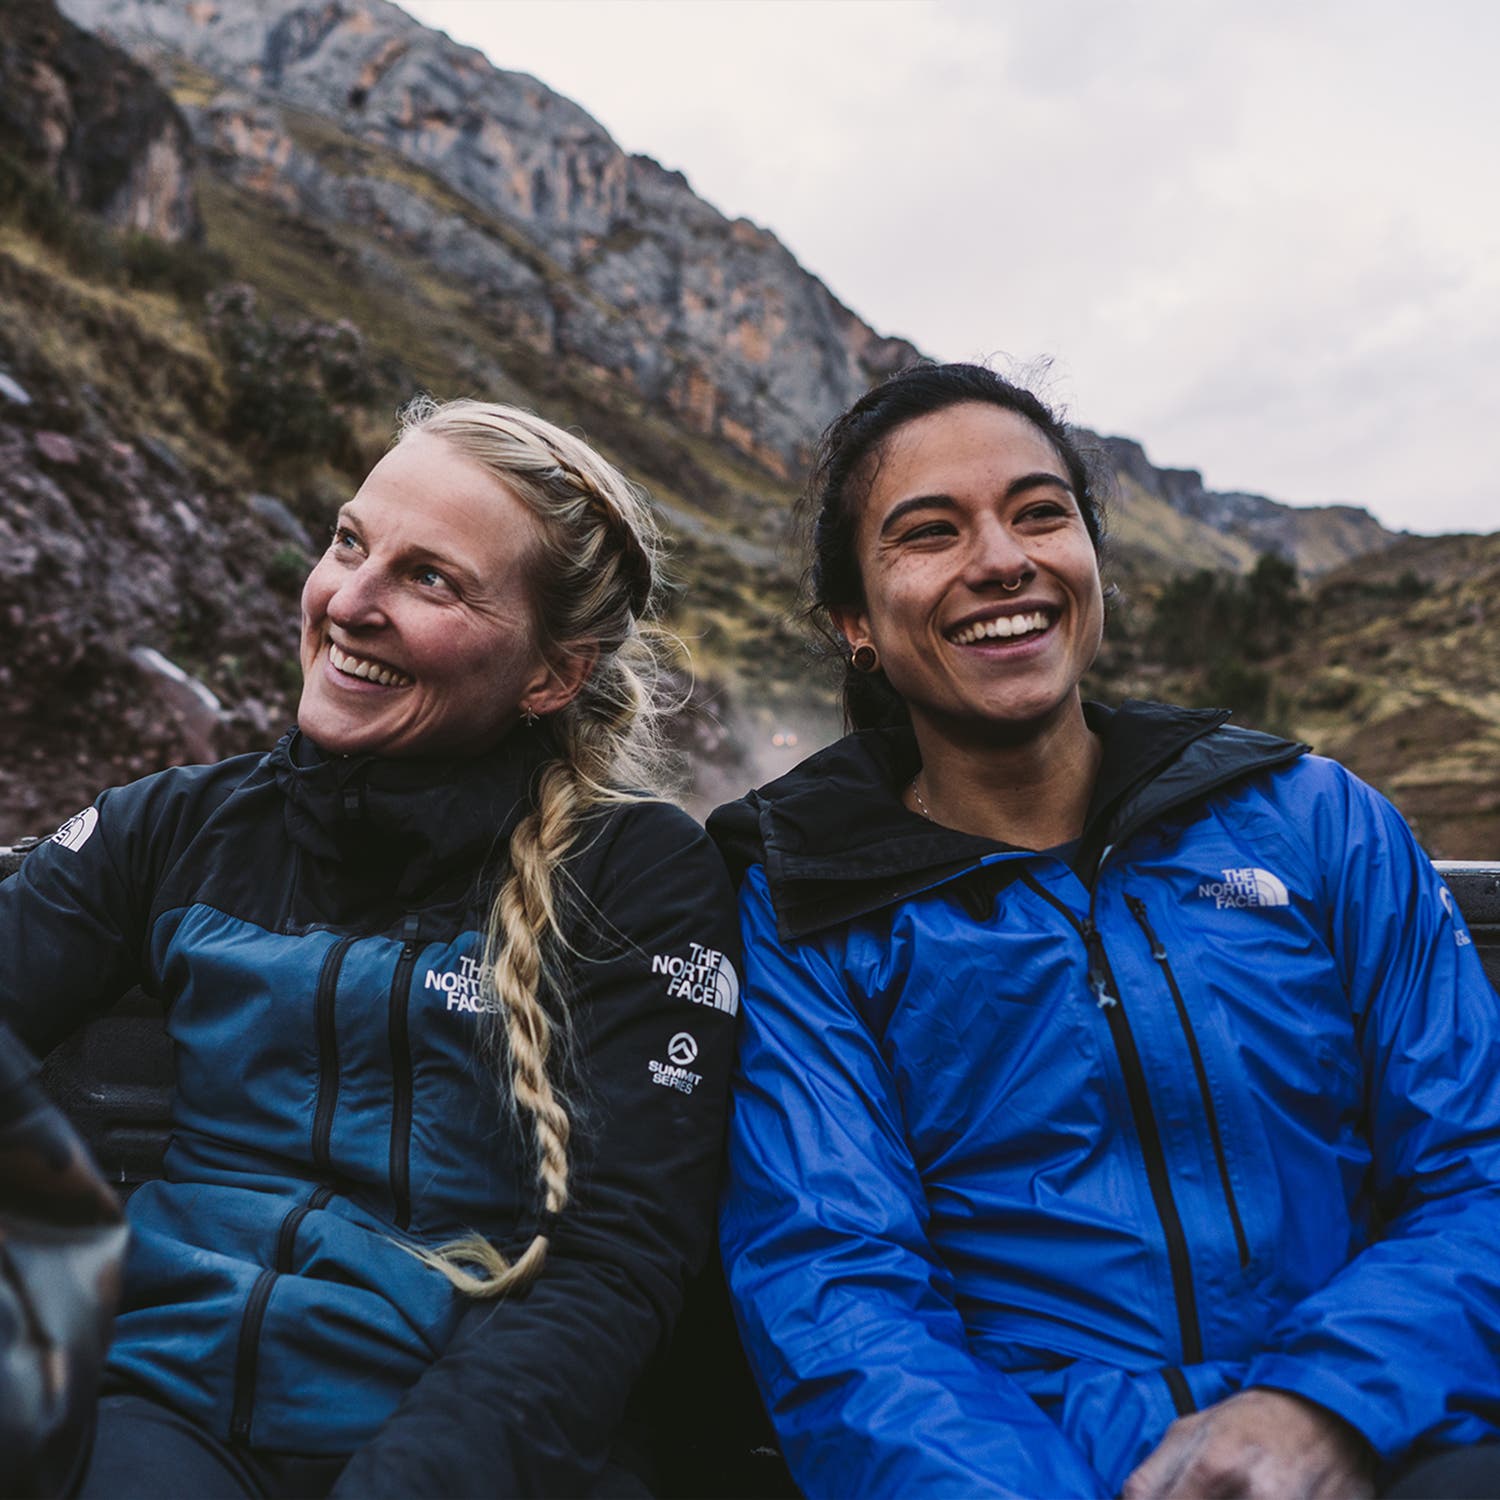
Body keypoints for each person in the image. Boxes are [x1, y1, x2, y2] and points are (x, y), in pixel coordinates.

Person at [709, 362, 1500, 1499]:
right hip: (1032, 1466)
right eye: (929, 533)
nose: (1001, 559)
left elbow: (1478, 1171)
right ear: (855, 625)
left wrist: (1321, 1408)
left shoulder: (1318, 822)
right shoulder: (812, 914)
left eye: (1041, 513)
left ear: (1093, 564)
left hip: (1380, 1435)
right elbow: (840, 1292)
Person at [0, 397, 742, 1497]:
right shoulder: (176, 827)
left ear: (553, 674)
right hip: (154, 1410)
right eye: (350, 542)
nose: (349, 602)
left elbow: (615, 1263)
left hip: (471, 1441)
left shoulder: (634, 876)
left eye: (429, 578)